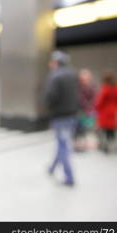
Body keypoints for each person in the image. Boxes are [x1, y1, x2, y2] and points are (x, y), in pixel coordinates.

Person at [44, 51, 80, 187]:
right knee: (62, 143)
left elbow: (49, 97)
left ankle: (69, 177)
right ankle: (52, 167)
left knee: (63, 145)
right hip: (72, 115)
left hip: (60, 117)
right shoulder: (72, 74)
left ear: (56, 62)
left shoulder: (55, 76)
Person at [95, 71, 117, 154]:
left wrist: (96, 108)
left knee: (103, 129)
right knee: (112, 129)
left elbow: (100, 101)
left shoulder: (105, 88)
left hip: (104, 112)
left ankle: (105, 146)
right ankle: (114, 145)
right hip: (114, 111)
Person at [74, 69, 97, 152]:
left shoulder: (91, 87)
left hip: (87, 111)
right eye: (82, 78)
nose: (83, 80)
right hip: (77, 111)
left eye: (85, 78)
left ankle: (84, 144)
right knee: (77, 128)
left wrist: (89, 108)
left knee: (85, 128)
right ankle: (77, 144)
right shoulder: (77, 86)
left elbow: (94, 99)